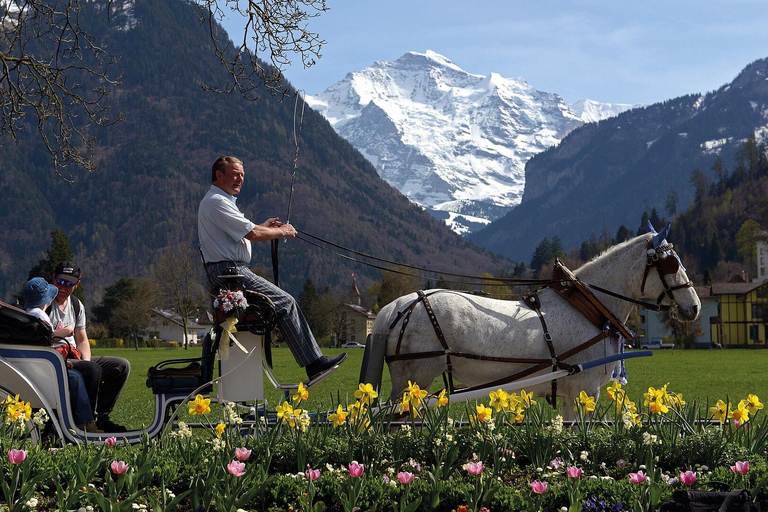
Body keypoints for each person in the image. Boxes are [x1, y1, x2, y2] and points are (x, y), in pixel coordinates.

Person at [198, 156, 347, 379]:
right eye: (235, 173)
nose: (240, 179)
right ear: (219, 175)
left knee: (282, 303)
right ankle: (313, 363)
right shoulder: (218, 202)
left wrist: (265, 226)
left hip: (231, 272)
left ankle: (311, 361)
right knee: (285, 302)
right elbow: (253, 234)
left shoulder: (220, 201)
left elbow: (247, 232)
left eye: (242, 175)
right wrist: (283, 232)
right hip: (231, 274)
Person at [47, 261, 131, 432]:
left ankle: (100, 418)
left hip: (74, 356)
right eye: (60, 281)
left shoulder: (77, 305)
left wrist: (85, 360)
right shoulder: (45, 304)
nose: (63, 287)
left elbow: (82, 339)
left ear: (77, 284)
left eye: (69, 283)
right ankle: (85, 423)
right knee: (91, 370)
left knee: (121, 366)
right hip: (54, 359)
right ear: (53, 278)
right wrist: (85, 365)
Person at [22, 277, 101, 433]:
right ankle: (85, 423)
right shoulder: (41, 318)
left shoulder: (28, 315)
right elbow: (47, 346)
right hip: (45, 367)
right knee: (76, 378)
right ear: (47, 300)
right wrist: (62, 362)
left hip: (34, 365)